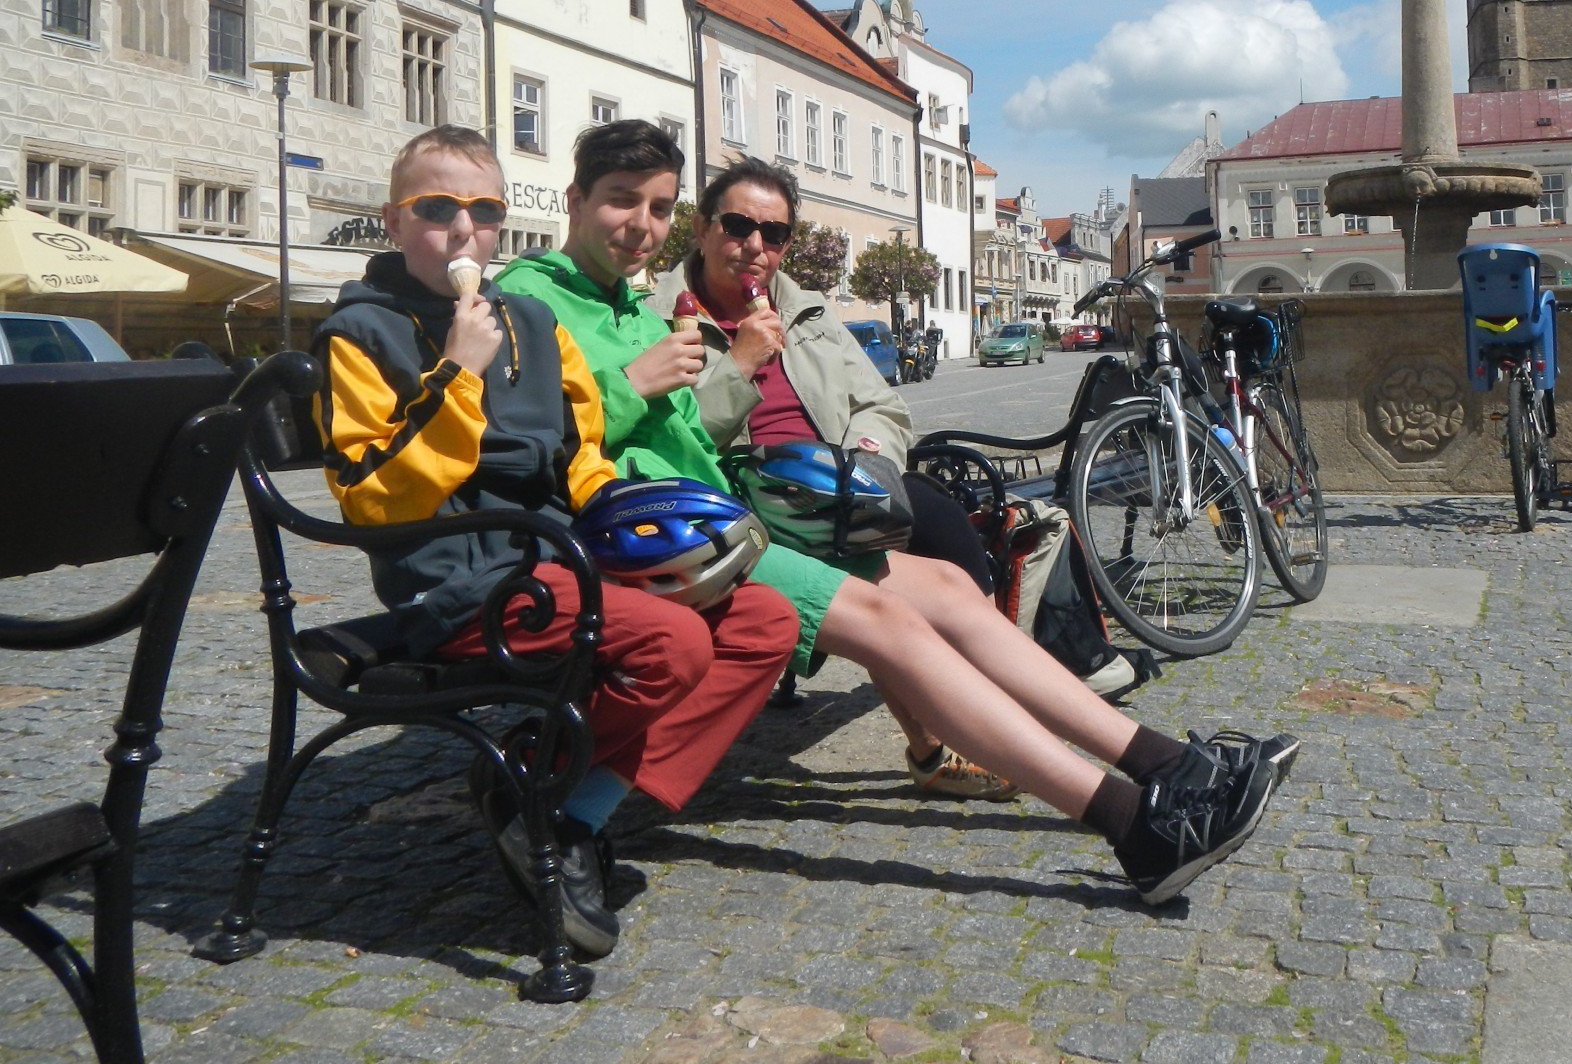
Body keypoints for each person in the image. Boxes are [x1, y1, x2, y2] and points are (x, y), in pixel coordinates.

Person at [500, 125, 1294, 905]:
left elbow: (817, 413)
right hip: (670, 533)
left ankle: (1161, 765)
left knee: (948, 585)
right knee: (898, 623)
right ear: (577, 200)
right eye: (621, 202)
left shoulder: (636, 309)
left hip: (742, 519)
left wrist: (849, 466)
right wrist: (665, 382)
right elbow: (520, 439)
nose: (641, 224)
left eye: (657, 207)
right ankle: (1130, 824)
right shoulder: (540, 302)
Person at [315, 126, 800, 959]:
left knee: (762, 621)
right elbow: (374, 498)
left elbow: (579, 456)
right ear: (394, 223)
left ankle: (561, 808)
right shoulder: (359, 335)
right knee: (674, 643)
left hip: (560, 559)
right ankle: (534, 788)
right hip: (458, 579)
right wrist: (459, 374)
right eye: (435, 210)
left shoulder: (534, 324)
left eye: (484, 211)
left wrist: (645, 535)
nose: (462, 230)